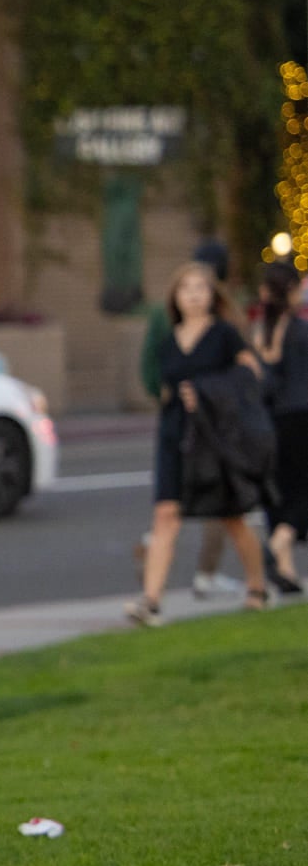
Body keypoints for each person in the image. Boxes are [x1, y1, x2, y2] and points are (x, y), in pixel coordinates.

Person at [131, 261, 267, 626]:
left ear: (212, 295)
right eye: (185, 288)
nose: (193, 295)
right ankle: (151, 601)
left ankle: (257, 585)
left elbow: (250, 375)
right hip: (175, 433)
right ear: (175, 297)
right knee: (165, 514)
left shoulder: (225, 335)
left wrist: (208, 392)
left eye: (200, 288)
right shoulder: (168, 341)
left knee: (231, 516)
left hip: (213, 435)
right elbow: (161, 383)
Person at [253, 261, 308, 591]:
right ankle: (281, 542)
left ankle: (286, 572)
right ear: (289, 290)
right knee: (304, 490)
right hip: (302, 415)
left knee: (280, 491)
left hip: (270, 419)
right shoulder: (301, 330)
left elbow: (262, 381)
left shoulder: (261, 332)